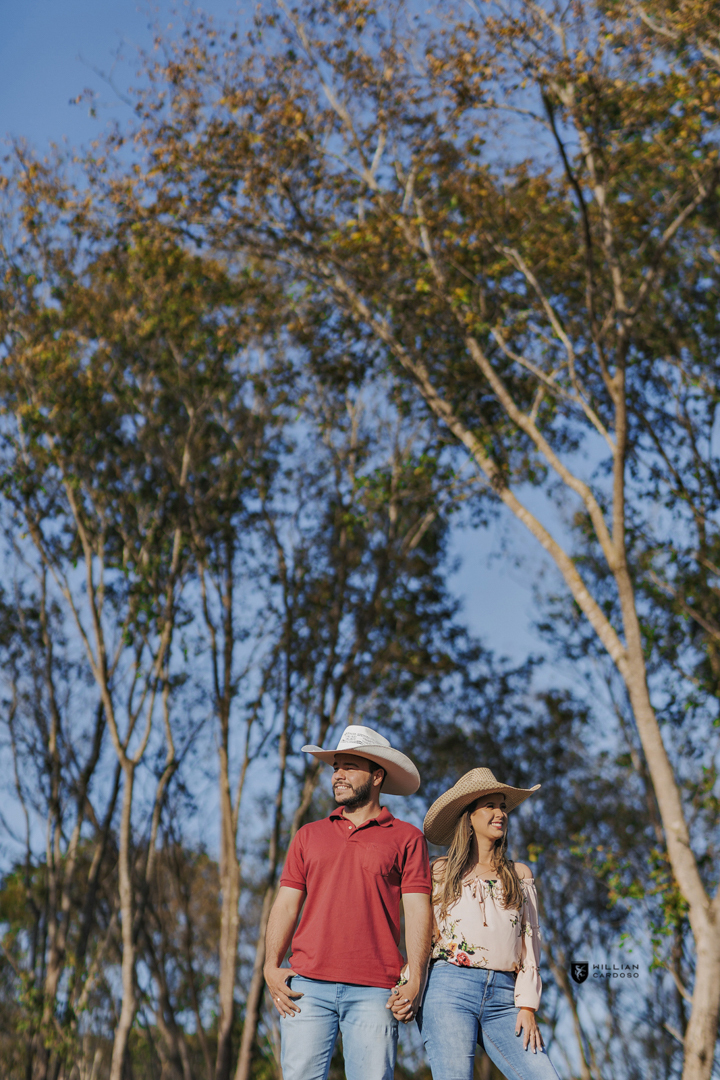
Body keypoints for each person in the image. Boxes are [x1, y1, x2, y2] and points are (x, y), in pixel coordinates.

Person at [263, 724, 433, 1080]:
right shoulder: (309, 835)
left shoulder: (407, 838)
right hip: (306, 985)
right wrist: (270, 965)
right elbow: (285, 905)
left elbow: (418, 910)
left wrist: (416, 978)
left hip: (376, 989)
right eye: (335, 767)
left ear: (377, 776)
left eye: (348, 767)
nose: (337, 775)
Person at [395, 767, 560, 1080]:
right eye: (490, 806)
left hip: (505, 998)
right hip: (448, 990)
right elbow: (424, 936)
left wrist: (528, 1005)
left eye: (503, 807)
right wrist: (408, 986)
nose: (500, 813)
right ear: (468, 817)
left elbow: (530, 942)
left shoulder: (520, 875)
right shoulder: (439, 872)